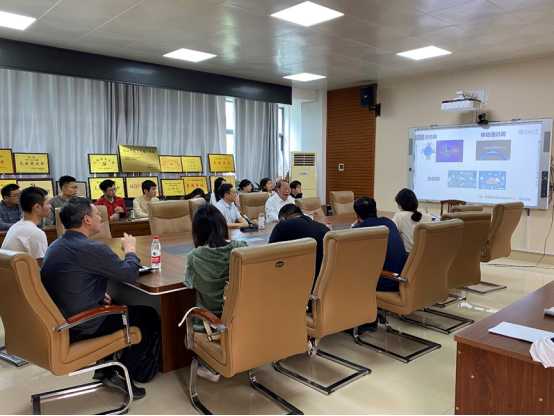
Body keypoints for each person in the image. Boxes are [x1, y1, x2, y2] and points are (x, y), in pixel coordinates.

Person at [41, 198, 161, 398]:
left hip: (60, 319)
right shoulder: (92, 248)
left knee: (118, 303)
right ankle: (122, 374)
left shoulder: (55, 245)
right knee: (147, 315)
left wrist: (92, 293)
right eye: (97, 214)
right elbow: (130, 274)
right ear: (87, 220)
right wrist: (130, 250)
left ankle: (105, 365)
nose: (100, 218)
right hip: (82, 324)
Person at [184, 204, 248, 382]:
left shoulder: (195, 256)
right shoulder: (241, 248)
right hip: (241, 318)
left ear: (197, 230)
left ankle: (211, 365)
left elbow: (189, 283)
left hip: (211, 323)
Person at [352, 197, 407, 335]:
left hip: (386, 281)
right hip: (402, 277)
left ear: (356, 215)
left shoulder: (360, 229)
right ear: (376, 210)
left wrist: (353, 226)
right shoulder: (389, 222)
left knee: (349, 272)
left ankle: (361, 319)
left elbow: (348, 249)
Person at [269, 204, 329, 292]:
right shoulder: (324, 228)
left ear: (282, 219)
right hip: (323, 287)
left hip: (296, 288)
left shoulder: (282, 226)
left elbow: (269, 256)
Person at [1, 187, 50, 267]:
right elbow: (43, 268)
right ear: (37, 207)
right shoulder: (35, 233)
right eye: (47, 203)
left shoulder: (16, 226)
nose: (50, 206)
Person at [392, 188, 433, 253]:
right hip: (425, 255)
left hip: (408, 256)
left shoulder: (399, 216)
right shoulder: (428, 217)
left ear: (400, 205)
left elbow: (391, 236)